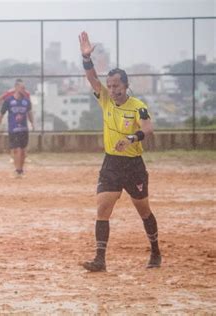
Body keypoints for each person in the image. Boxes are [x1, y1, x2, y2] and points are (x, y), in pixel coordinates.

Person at [78, 31, 161, 271]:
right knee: (103, 208)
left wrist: (132, 137)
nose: (112, 89)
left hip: (133, 164)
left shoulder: (138, 106)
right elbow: (92, 78)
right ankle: (100, 260)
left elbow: (148, 128)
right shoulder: (104, 98)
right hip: (111, 164)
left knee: (143, 210)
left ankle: (155, 252)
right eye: (110, 85)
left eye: (117, 85)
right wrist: (86, 58)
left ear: (126, 86)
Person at [0, 79, 35, 178]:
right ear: (16, 88)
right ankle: (18, 170)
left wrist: (32, 123)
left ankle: (21, 169)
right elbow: (1, 114)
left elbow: (29, 113)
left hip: (24, 129)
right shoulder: (9, 101)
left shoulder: (26, 101)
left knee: (23, 151)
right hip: (13, 129)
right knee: (17, 150)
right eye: (22, 88)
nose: (24, 90)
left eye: (24, 88)